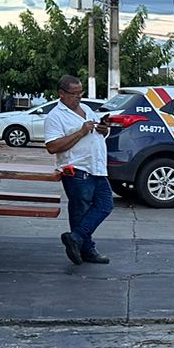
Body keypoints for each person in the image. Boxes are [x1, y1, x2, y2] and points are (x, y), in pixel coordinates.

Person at [44, 74, 113, 266]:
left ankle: (77, 238)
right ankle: (86, 248)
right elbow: (52, 146)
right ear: (61, 94)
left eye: (80, 93)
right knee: (80, 210)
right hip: (76, 169)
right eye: (73, 93)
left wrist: (103, 129)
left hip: (97, 167)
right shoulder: (55, 117)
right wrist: (81, 132)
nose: (77, 97)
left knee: (105, 204)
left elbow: (100, 132)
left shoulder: (87, 109)